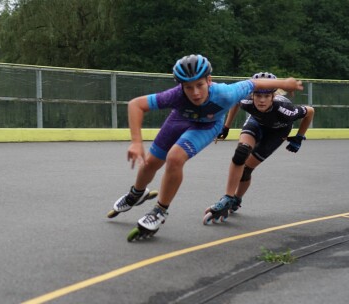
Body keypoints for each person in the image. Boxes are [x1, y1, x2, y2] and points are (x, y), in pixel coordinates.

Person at [108, 55, 304, 238]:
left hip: (207, 126)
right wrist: (136, 142)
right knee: (151, 162)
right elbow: (136, 105)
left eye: (199, 85)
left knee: (175, 158)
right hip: (179, 119)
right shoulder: (175, 96)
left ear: (209, 80)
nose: (195, 92)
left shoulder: (226, 93)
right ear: (180, 86)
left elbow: (255, 83)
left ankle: (159, 211)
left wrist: (284, 83)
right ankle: (136, 193)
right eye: (188, 87)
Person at [203, 72, 315, 224]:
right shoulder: (246, 100)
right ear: (252, 95)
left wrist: (299, 137)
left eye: (267, 96)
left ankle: (237, 199)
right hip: (256, 123)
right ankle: (228, 198)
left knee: (247, 169)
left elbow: (310, 111)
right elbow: (234, 102)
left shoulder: (285, 109)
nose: (262, 100)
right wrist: (226, 126)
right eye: (258, 96)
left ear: (273, 96)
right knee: (241, 153)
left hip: (277, 132)